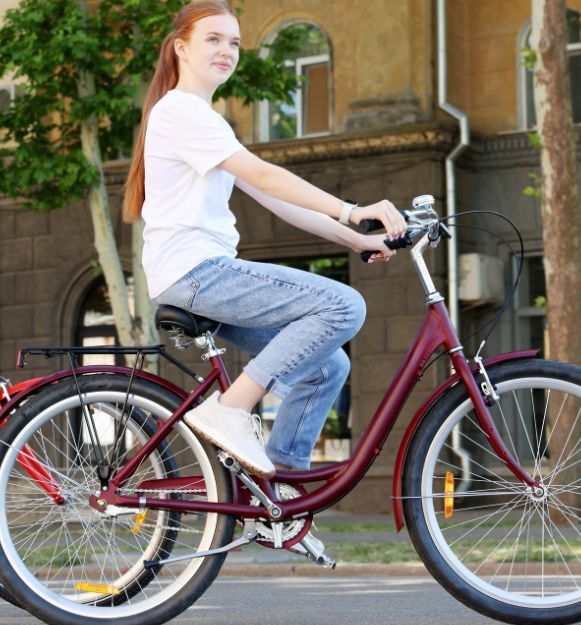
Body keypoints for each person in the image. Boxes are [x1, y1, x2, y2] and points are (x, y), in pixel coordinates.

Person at [123, 1, 407, 480]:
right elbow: (265, 175)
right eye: (213, 39)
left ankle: (282, 487)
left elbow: (277, 201)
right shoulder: (181, 111)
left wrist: (355, 239)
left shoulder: (205, 120)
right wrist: (352, 210)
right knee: (344, 306)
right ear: (181, 49)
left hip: (198, 275)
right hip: (197, 273)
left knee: (327, 367)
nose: (226, 51)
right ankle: (230, 409)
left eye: (234, 43)